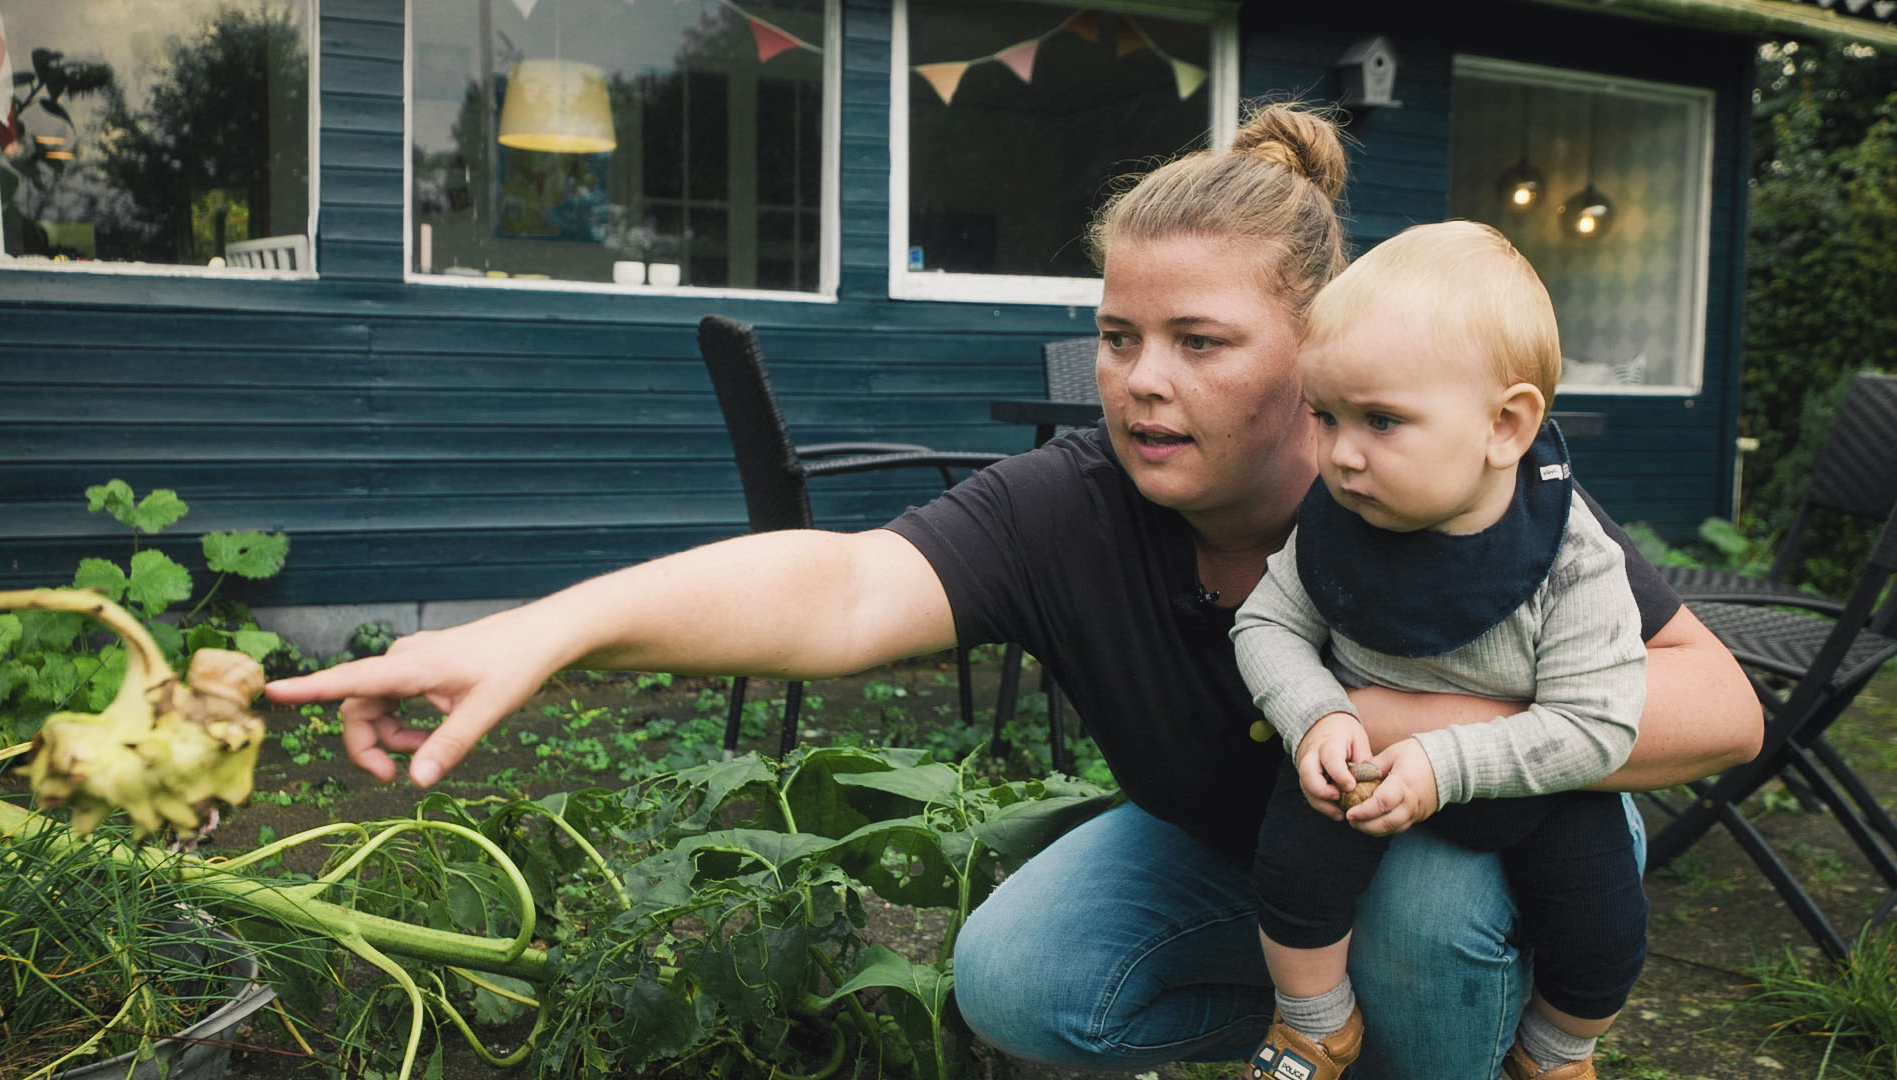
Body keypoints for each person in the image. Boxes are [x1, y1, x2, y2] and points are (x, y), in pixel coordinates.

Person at [264, 102, 1761, 1080]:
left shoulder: (1440, 483)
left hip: (1489, 840)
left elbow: (1718, 701)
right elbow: (843, 588)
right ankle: (1332, 1023)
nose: (1140, 384)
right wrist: (548, 628)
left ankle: (1455, 1033)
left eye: (1198, 341)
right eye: (1116, 337)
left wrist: (1430, 740)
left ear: (1318, 351)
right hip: (1248, 857)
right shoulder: (1076, 508)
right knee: (1017, 975)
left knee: (1429, 907)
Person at [1231, 221, 1647, 1080]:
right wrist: (1315, 715)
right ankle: (1314, 1022)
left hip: (1531, 776)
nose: (1341, 455)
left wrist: (1447, 762)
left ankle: (1557, 1053)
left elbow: (1599, 726)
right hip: (1366, 762)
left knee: (1602, 927)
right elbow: (1266, 624)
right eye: (1327, 416)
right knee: (1295, 863)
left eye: (1382, 420)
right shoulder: (1337, 527)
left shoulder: (1571, 555)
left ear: (1505, 425)